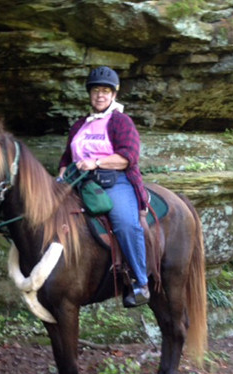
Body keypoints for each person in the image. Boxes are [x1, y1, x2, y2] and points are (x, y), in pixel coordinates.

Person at [57, 66, 150, 308]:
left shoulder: (121, 121)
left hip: (114, 182)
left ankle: (140, 282)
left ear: (114, 95)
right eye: (96, 90)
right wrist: (60, 180)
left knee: (125, 224)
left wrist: (96, 162)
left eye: (106, 91)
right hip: (79, 183)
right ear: (90, 94)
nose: (100, 95)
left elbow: (129, 156)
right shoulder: (80, 125)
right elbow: (66, 159)